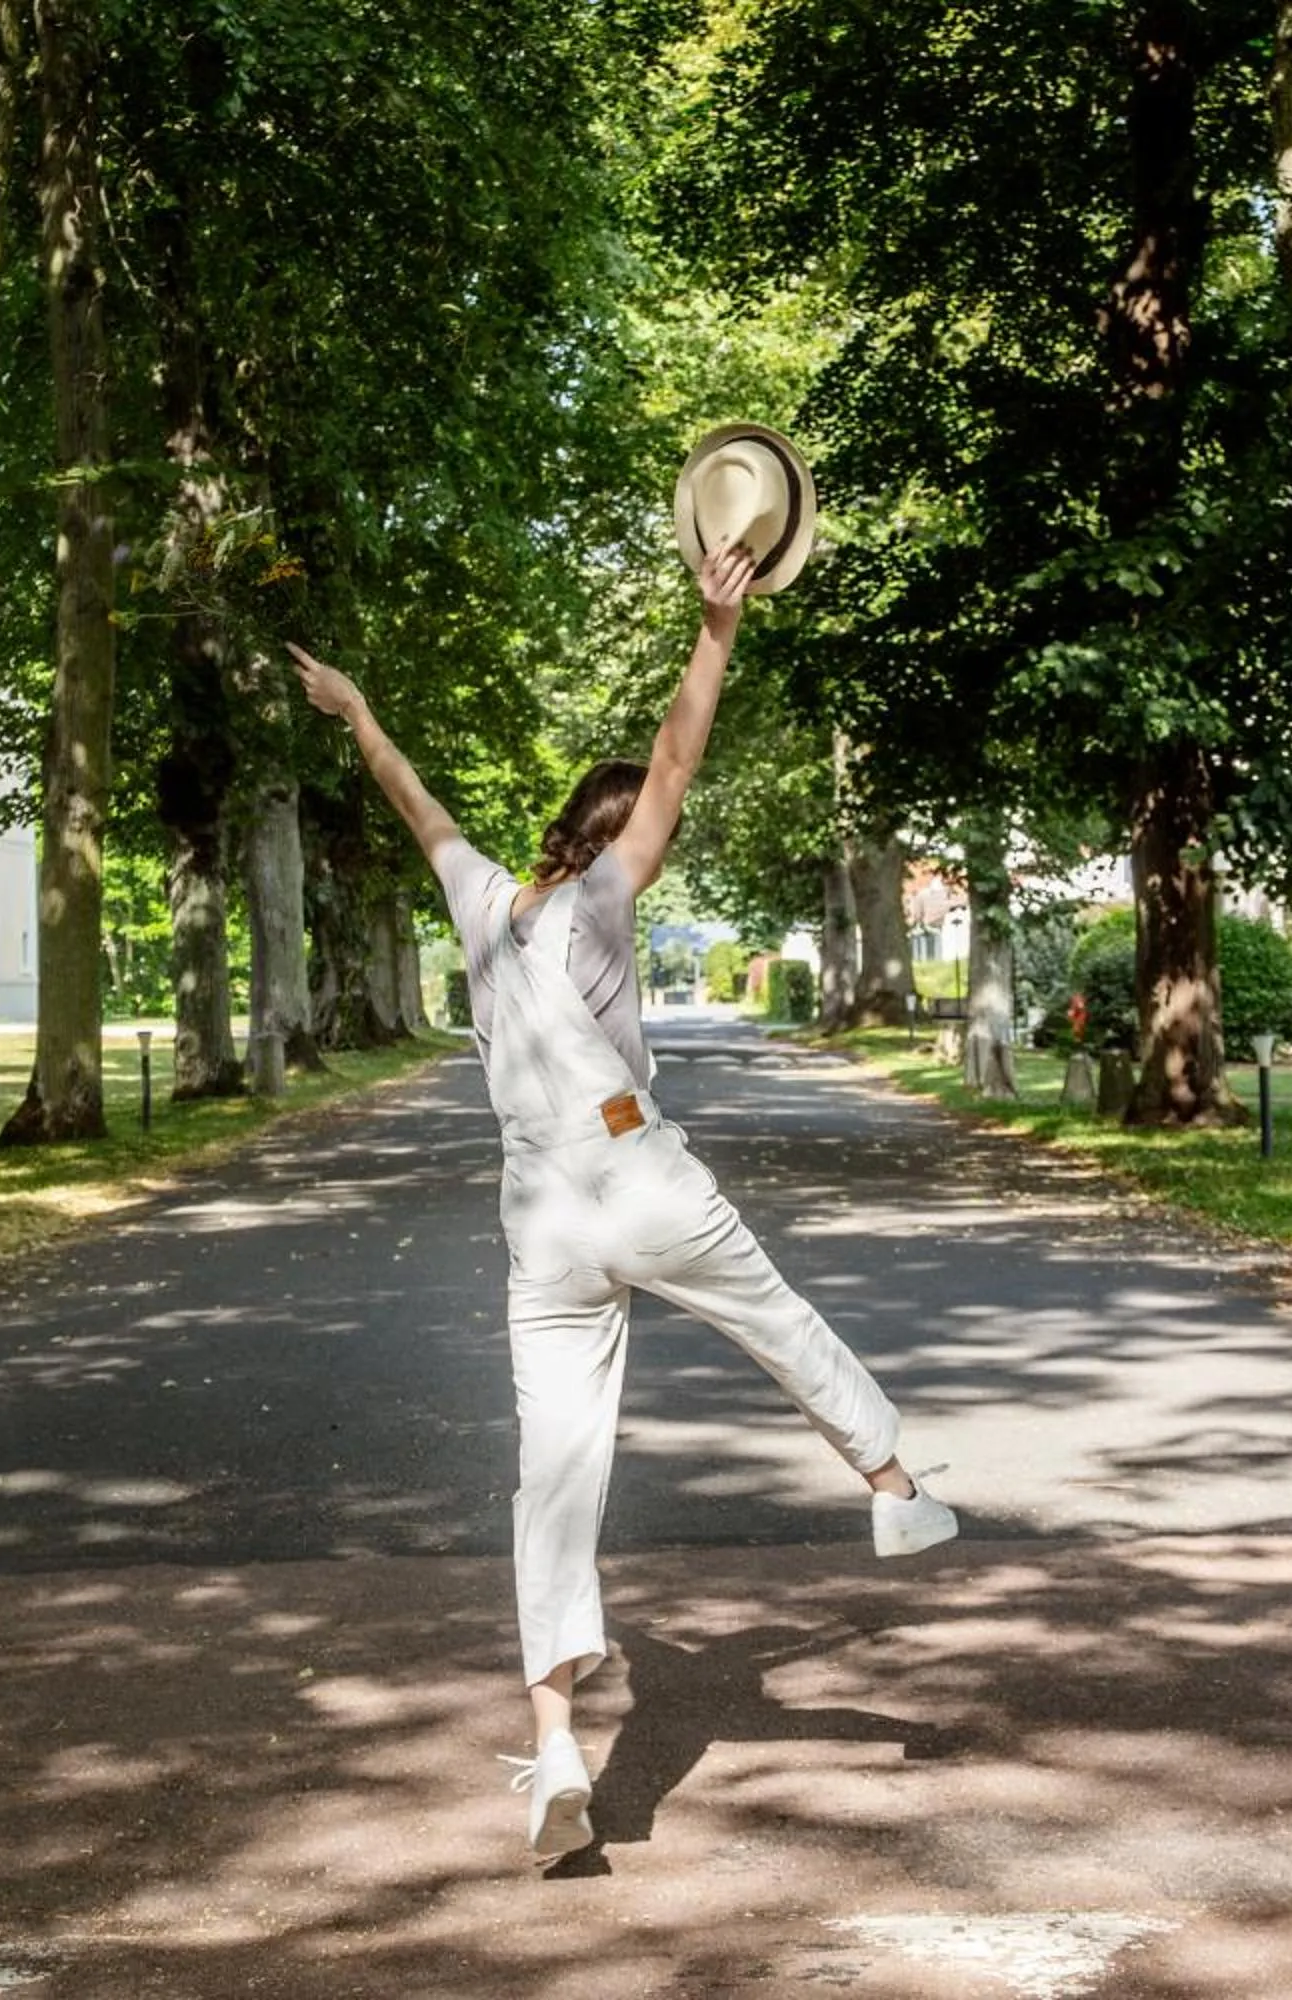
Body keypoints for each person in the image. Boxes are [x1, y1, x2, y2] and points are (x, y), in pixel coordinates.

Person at [286, 542, 956, 1863]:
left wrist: (356, 711)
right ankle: (890, 1483)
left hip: (538, 1215)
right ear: (617, 842)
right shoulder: (600, 901)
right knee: (779, 1319)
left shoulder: (484, 901)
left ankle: (553, 1746)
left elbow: (412, 798)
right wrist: (717, 627)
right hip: (635, 1170)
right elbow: (677, 758)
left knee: (553, 1478)